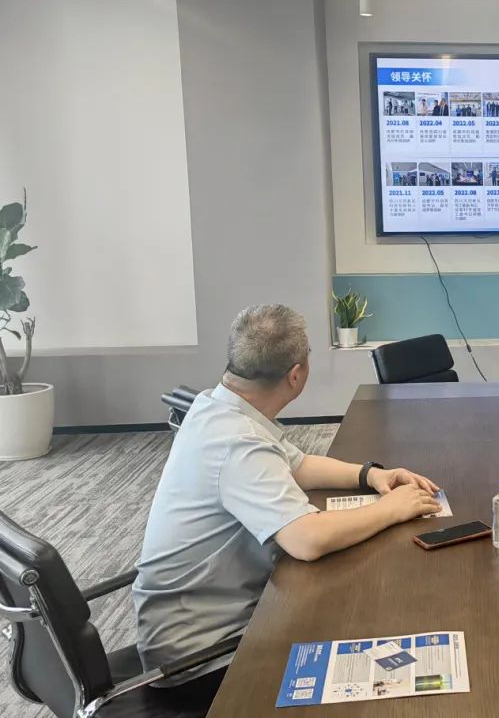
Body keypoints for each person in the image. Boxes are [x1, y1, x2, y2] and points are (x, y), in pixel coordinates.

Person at [132, 305, 441, 711]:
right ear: (296, 375)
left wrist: (370, 476)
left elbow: (297, 465)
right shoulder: (236, 442)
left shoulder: (217, 407)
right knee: (369, 624)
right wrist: (392, 509)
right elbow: (306, 540)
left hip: (203, 622)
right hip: (201, 659)